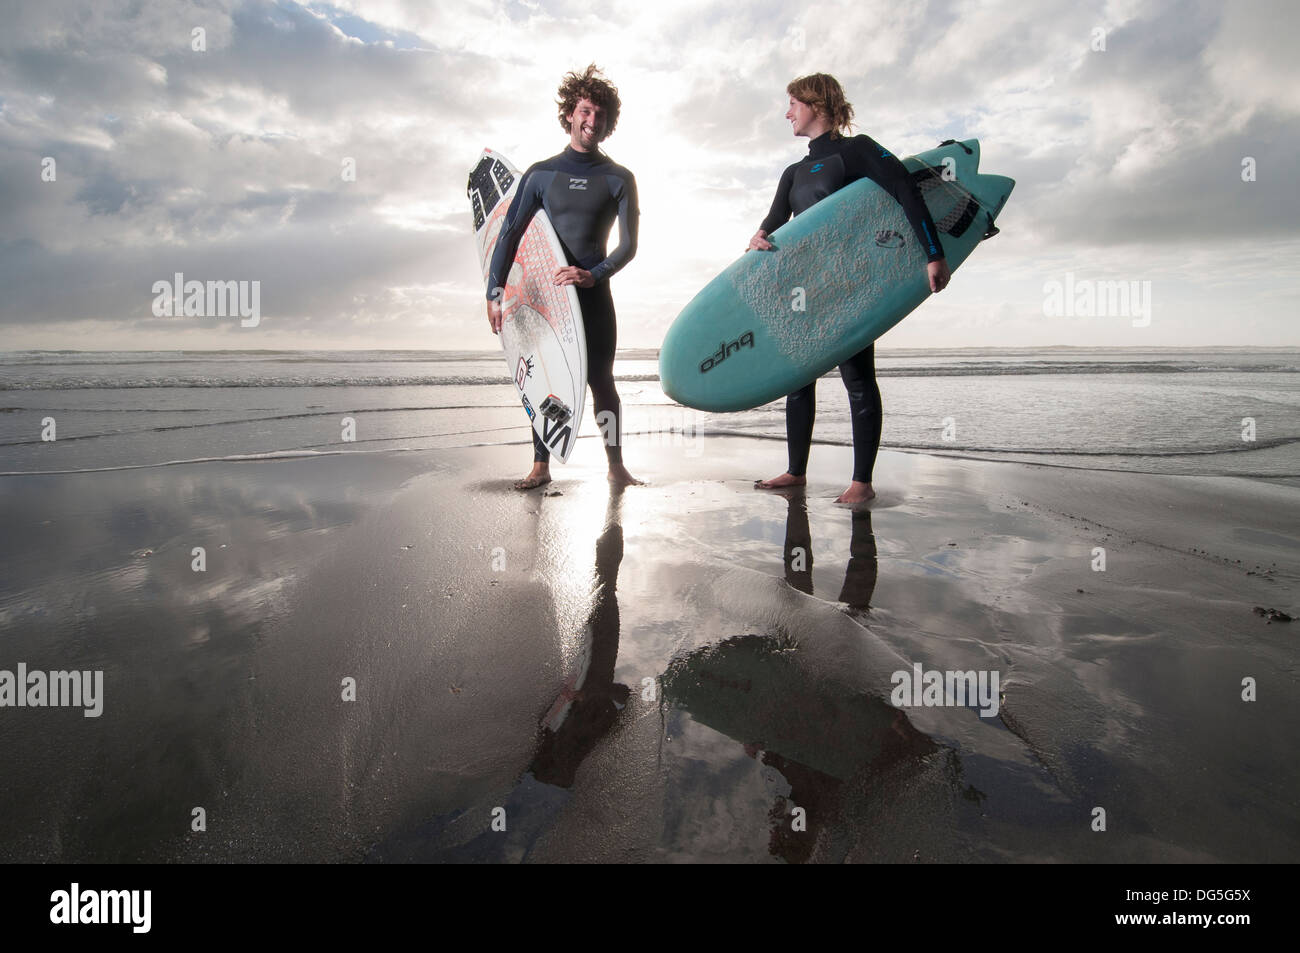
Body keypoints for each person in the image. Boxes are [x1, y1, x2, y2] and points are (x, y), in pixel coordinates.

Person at [749, 73, 951, 504]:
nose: (788, 113)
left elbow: (905, 191)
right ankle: (795, 471)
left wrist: (933, 253)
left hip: (849, 286)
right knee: (798, 380)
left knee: (857, 380)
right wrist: (759, 236)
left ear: (815, 104)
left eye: (792, 104)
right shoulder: (794, 172)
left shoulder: (856, 152)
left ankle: (862, 481)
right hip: (804, 288)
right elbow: (775, 221)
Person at [485, 64, 641, 490]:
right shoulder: (541, 174)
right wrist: (494, 290)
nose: (592, 121)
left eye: (601, 115)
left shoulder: (618, 179)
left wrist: (593, 275)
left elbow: (628, 246)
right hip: (547, 300)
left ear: (608, 123)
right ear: (571, 112)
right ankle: (540, 465)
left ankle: (616, 466)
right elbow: (510, 233)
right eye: (586, 111)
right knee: (547, 377)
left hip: (593, 298)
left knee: (602, 382)